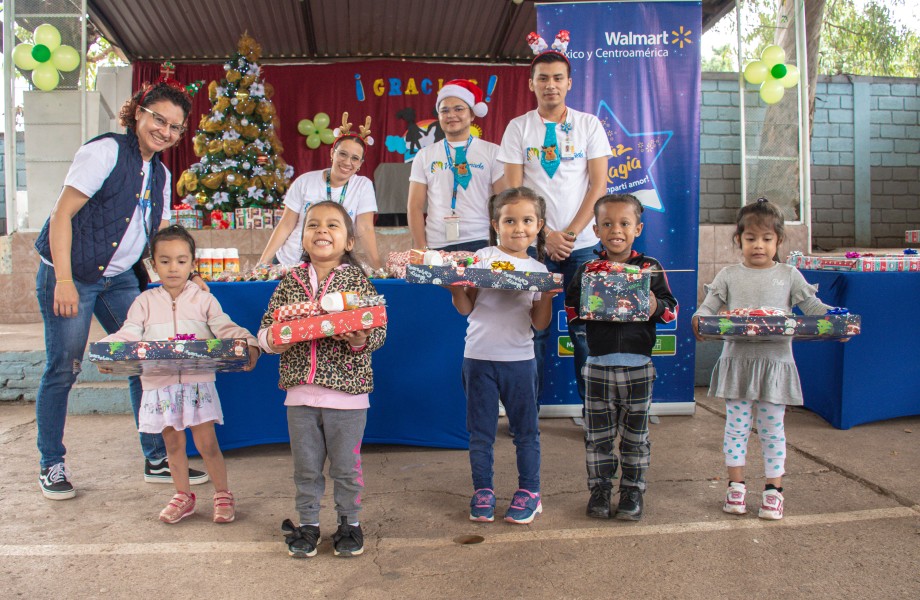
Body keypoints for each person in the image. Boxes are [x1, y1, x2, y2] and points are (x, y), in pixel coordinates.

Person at [33, 76, 211, 500]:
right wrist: (63, 280)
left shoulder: (161, 173)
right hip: (72, 273)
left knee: (144, 360)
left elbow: (161, 238)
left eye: (174, 127)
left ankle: (157, 458)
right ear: (138, 114)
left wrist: (190, 274)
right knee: (64, 368)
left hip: (120, 278)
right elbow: (61, 215)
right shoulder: (105, 152)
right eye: (158, 120)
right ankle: (51, 463)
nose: (165, 131)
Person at [98, 226, 260, 523]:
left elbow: (225, 327)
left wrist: (249, 342)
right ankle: (183, 496)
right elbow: (129, 333)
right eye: (165, 261)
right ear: (153, 264)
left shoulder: (204, 300)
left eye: (181, 261)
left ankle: (223, 494)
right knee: (172, 445)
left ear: (192, 263)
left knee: (207, 444)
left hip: (197, 384)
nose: (173, 267)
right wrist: (108, 350)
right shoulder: (144, 302)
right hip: (159, 385)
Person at [258, 201, 387, 557]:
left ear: (349, 241)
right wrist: (273, 340)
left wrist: (359, 339)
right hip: (299, 395)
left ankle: (349, 523)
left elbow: (377, 331)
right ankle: (309, 524)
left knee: (346, 468)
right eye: (313, 224)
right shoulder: (290, 282)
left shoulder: (357, 281)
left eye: (332, 225)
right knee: (306, 469)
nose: (322, 230)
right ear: (302, 238)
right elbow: (267, 328)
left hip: (347, 396)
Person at [692, 199, 832, 521]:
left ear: (778, 240)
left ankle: (773, 492)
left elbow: (815, 309)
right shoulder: (729, 275)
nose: (759, 245)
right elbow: (707, 308)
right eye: (751, 238)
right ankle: (736, 488)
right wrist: (698, 319)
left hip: (775, 365)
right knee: (736, 429)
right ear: (738, 239)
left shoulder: (789, 275)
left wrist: (840, 322)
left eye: (767, 239)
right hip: (738, 364)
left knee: (772, 430)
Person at [497, 47, 613, 405]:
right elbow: (515, 193)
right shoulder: (518, 128)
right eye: (543, 78)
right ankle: (526, 413)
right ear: (532, 84)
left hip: (583, 246)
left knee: (585, 333)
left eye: (558, 78)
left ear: (569, 83)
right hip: (533, 248)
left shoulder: (589, 125)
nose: (551, 85)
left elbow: (598, 186)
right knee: (532, 333)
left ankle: (593, 413)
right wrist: (546, 235)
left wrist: (570, 235)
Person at [446, 187, 556, 524]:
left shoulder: (539, 270)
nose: (518, 228)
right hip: (478, 357)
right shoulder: (480, 258)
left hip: (520, 360)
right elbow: (466, 308)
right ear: (496, 225)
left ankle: (530, 491)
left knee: (526, 431)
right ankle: (483, 490)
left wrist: (547, 296)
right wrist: (455, 288)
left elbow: (539, 324)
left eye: (527, 220)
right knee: (480, 432)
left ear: (539, 226)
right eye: (510, 221)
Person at [564, 194, 678, 521]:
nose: (616, 230)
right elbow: (571, 308)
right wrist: (589, 309)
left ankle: (632, 491)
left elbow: (671, 311)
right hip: (598, 366)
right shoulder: (587, 269)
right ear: (596, 230)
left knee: (635, 438)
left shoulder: (649, 268)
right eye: (608, 223)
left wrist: (654, 305)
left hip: (639, 367)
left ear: (637, 229)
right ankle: (600, 490)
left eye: (624, 223)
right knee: (598, 437)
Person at [257, 117, 381, 271]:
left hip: (332, 266)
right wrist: (262, 263)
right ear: (332, 153)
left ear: (360, 164)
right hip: (290, 263)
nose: (347, 162)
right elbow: (286, 224)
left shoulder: (363, 186)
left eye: (355, 158)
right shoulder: (304, 181)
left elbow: (365, 228)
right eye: (342, 154)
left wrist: (377, 267)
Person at [407, 79, 505, 253]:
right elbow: (414, 206)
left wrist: (503, 244)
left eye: (459, 109)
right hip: (437, 244)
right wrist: (421, 248)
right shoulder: (424, 155)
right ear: (439, 116)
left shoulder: (493, 152)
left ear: (472, 114)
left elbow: (503, 202)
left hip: (481, 241)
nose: (451, 115)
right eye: (444, 110)